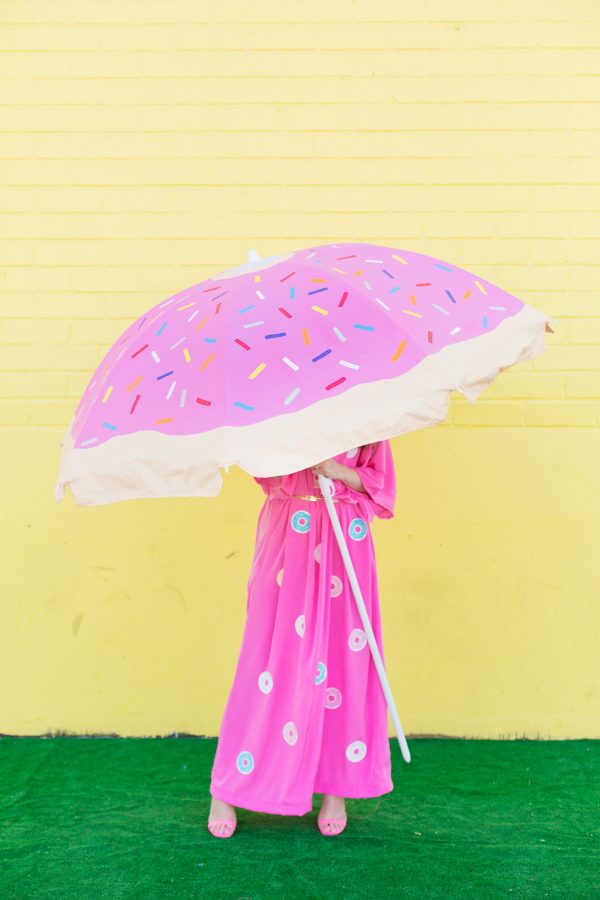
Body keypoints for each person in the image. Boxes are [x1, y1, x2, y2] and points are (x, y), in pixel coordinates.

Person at [207, 439, 397, 837]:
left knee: (343, 662)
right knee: (267, 662)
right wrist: (295, 453)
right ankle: (226, 787)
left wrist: (339, 471)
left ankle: (336, 789)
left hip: (346, 537)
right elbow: (256, 464)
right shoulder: (281, 408)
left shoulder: (370, 410)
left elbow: (382, 484)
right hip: (288, 530)